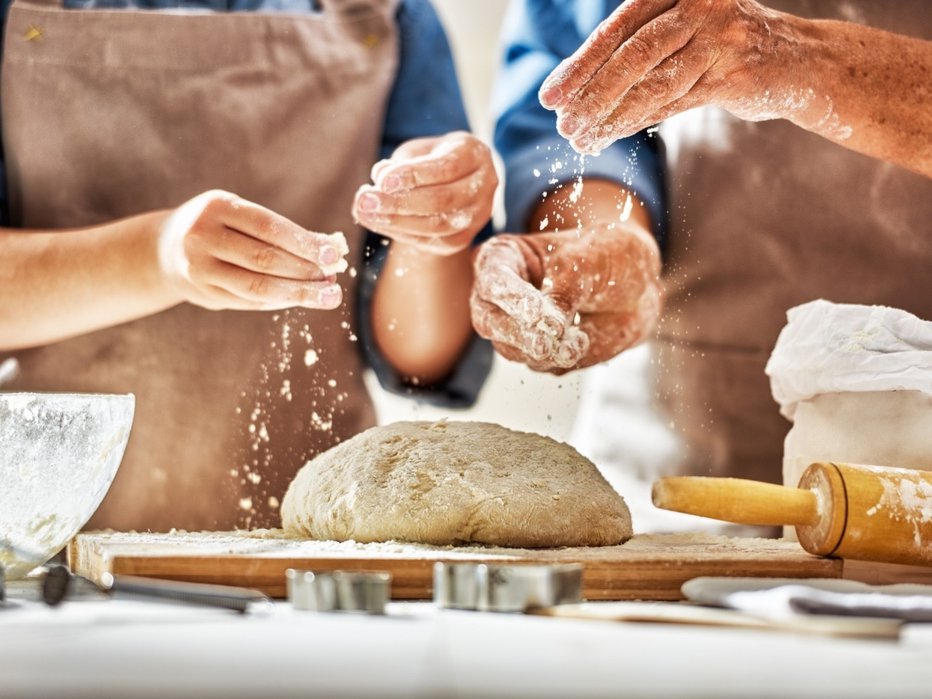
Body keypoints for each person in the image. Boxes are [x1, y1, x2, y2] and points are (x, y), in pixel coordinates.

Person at [0, 0, 496, 531]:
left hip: (301, 554)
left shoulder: (390, 15)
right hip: (37, 541)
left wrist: (429, 231)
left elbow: (421, 361)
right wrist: (156, 256)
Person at [472, 0, 932, 513]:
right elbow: (578, 74)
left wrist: (798, 59)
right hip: (676, 460)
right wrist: (609, 240)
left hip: (919, 462)